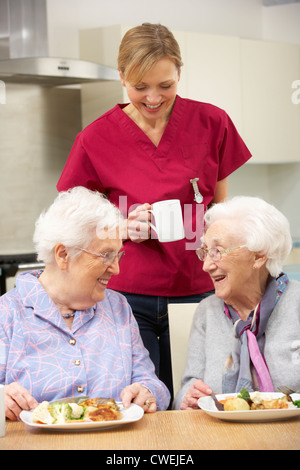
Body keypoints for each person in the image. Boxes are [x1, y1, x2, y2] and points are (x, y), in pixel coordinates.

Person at [56, 23, 252, 399]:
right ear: (121, 77)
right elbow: (72, 216)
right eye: (139, 86)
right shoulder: (96, 138)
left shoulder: (212, 123)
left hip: (201, 290)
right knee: (141, 403)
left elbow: (219, 207)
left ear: (180, 72)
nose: (152, 97)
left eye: (165, 85)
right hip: (125, 296)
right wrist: (120, 227)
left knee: (206, 400)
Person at [0, 187, 170, 420]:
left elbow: (152, 384)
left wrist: (147, 392)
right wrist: (2, 398)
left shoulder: (118, 307)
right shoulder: (7, 313)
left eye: (118, 255)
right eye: (106, 255)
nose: (116, 269)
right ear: (63, 255)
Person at [173, 196, 300, 410]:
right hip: (222, 436)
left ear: (258, 257)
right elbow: (186, 389)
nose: (206, 266)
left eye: (218, 251)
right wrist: (188, 398)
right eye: (205, 252)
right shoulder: (207, 311)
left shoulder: (295, 303)